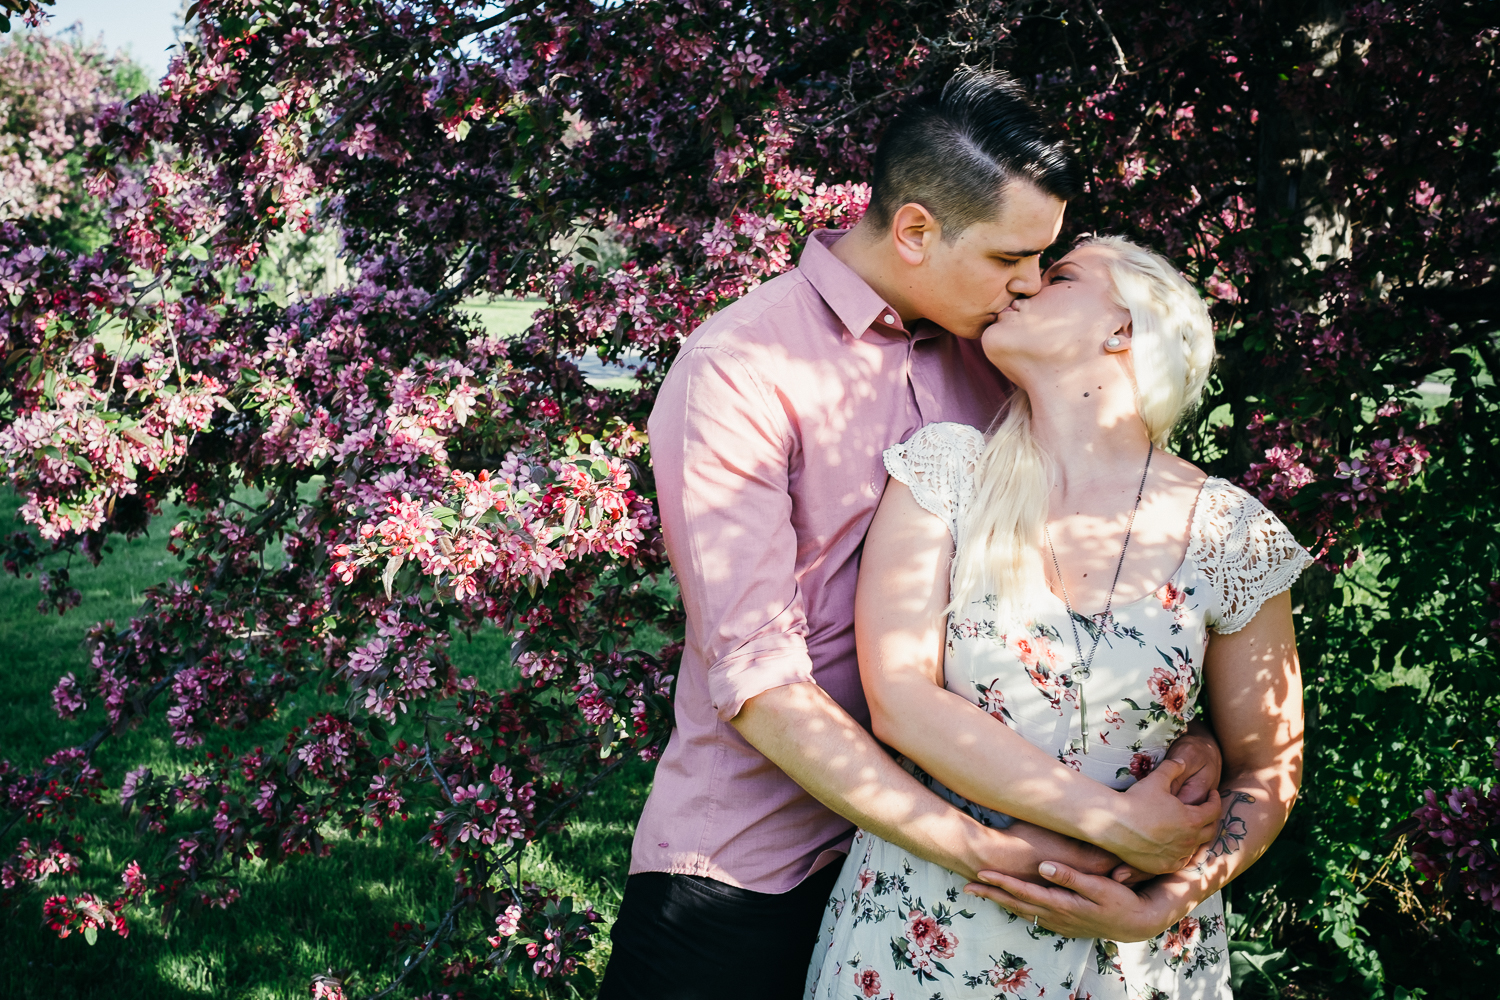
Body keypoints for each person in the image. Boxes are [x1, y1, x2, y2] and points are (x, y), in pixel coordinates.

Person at [598, 69, 1225, 1000]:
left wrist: (1185, 736)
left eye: (1042, 267)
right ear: (917, 231)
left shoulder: (1002, 357)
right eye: (1012, 258)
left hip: (946, 889)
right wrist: (996, 850)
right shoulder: (740, 369)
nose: (1026, 287)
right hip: (763, 864)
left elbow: (1114, 563)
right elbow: (757, 679)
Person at [804, 235, 1309, 999]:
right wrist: (1114, 823)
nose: (1024, 285)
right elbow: (900, 701)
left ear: (1124, 331)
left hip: (1128, 956)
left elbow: (1267, 766)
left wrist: (1164, 901)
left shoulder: (1231, 534)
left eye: (1062, 274)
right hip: (930, 930)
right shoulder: (948, 473)